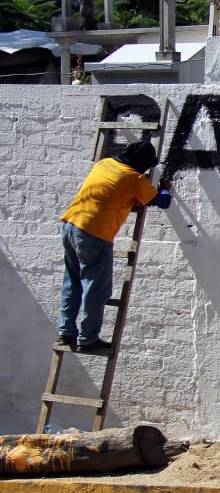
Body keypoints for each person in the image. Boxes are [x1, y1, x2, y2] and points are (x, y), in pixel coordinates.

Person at [56, 141, 172, 354]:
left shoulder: (104, 164)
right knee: (96, 288)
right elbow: (163, 202)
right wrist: (165, 189)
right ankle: (88, 338)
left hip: (71, 225)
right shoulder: (133, 178)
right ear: (140, 164)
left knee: (72, 282)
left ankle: (66, 332)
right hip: (94, 233)